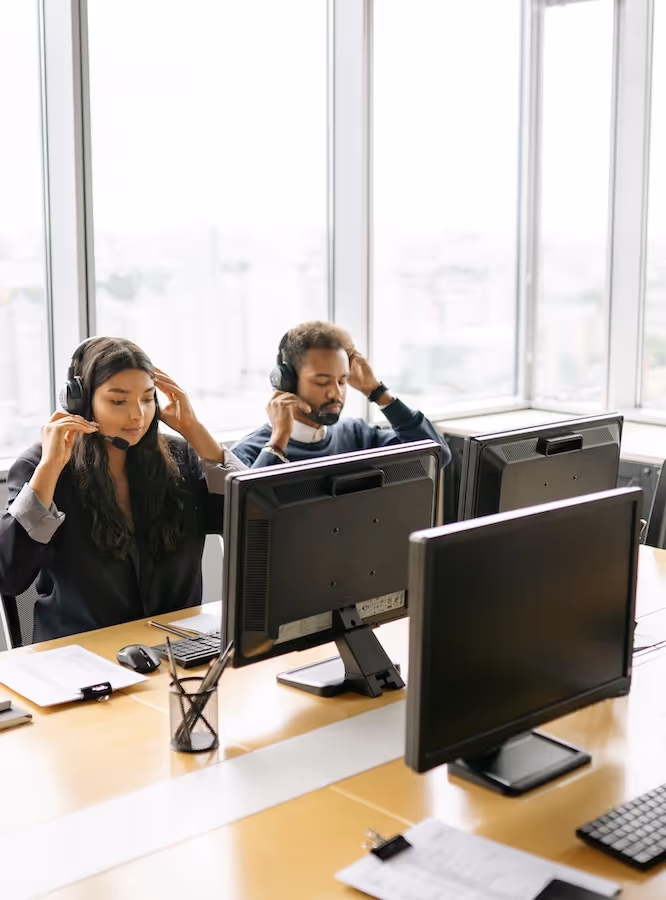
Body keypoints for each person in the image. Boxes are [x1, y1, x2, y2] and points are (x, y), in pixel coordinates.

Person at [0, 336, 244, 642]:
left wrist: (194, 430)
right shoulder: (42, 466)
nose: (138, 416)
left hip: (173, 651)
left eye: (147, 398)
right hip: (81, 656)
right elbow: (9, 576)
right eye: (118, 401)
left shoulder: (181, 458)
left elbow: (252, 524)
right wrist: (49, 469)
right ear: (82, 404)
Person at [232, 321, 451, 468]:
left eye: (342, 381)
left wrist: (378, 393)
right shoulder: (248, 453)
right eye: (322, 381)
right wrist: (278, 442)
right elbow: (251, 520)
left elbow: (436, 458)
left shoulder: (357, 435)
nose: (336, 393)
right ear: (287, 382)